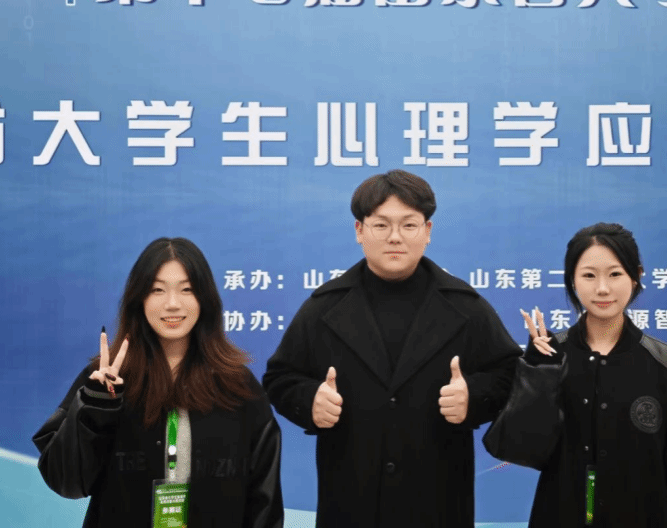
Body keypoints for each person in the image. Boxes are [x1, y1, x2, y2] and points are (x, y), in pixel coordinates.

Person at [262, 170, 521, 528]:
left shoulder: (465, 306)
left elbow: (510, 374)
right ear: (359, 231)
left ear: (427, 231)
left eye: (409, 225)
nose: (395, 237)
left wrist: (474, 397)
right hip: (351, 499)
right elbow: (280, 377)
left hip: (436, 500)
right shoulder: (324, 307)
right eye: (381, 225)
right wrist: (309, 401)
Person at [484, 222, 667, 528]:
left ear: (636, 276)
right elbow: (516, 448)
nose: (602, 288)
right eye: (589, 275)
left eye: (615, 274)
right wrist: (537, 375)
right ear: (572, 279)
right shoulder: (549, 357)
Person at [33, 237, 283, 528]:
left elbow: (264, 502)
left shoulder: (238, 385)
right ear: (139, 299)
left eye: (187, 289)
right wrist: (96, 405)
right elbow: (66, 482)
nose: (172, 304)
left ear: (205, 299)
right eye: (157, 290)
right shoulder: (106, 379)